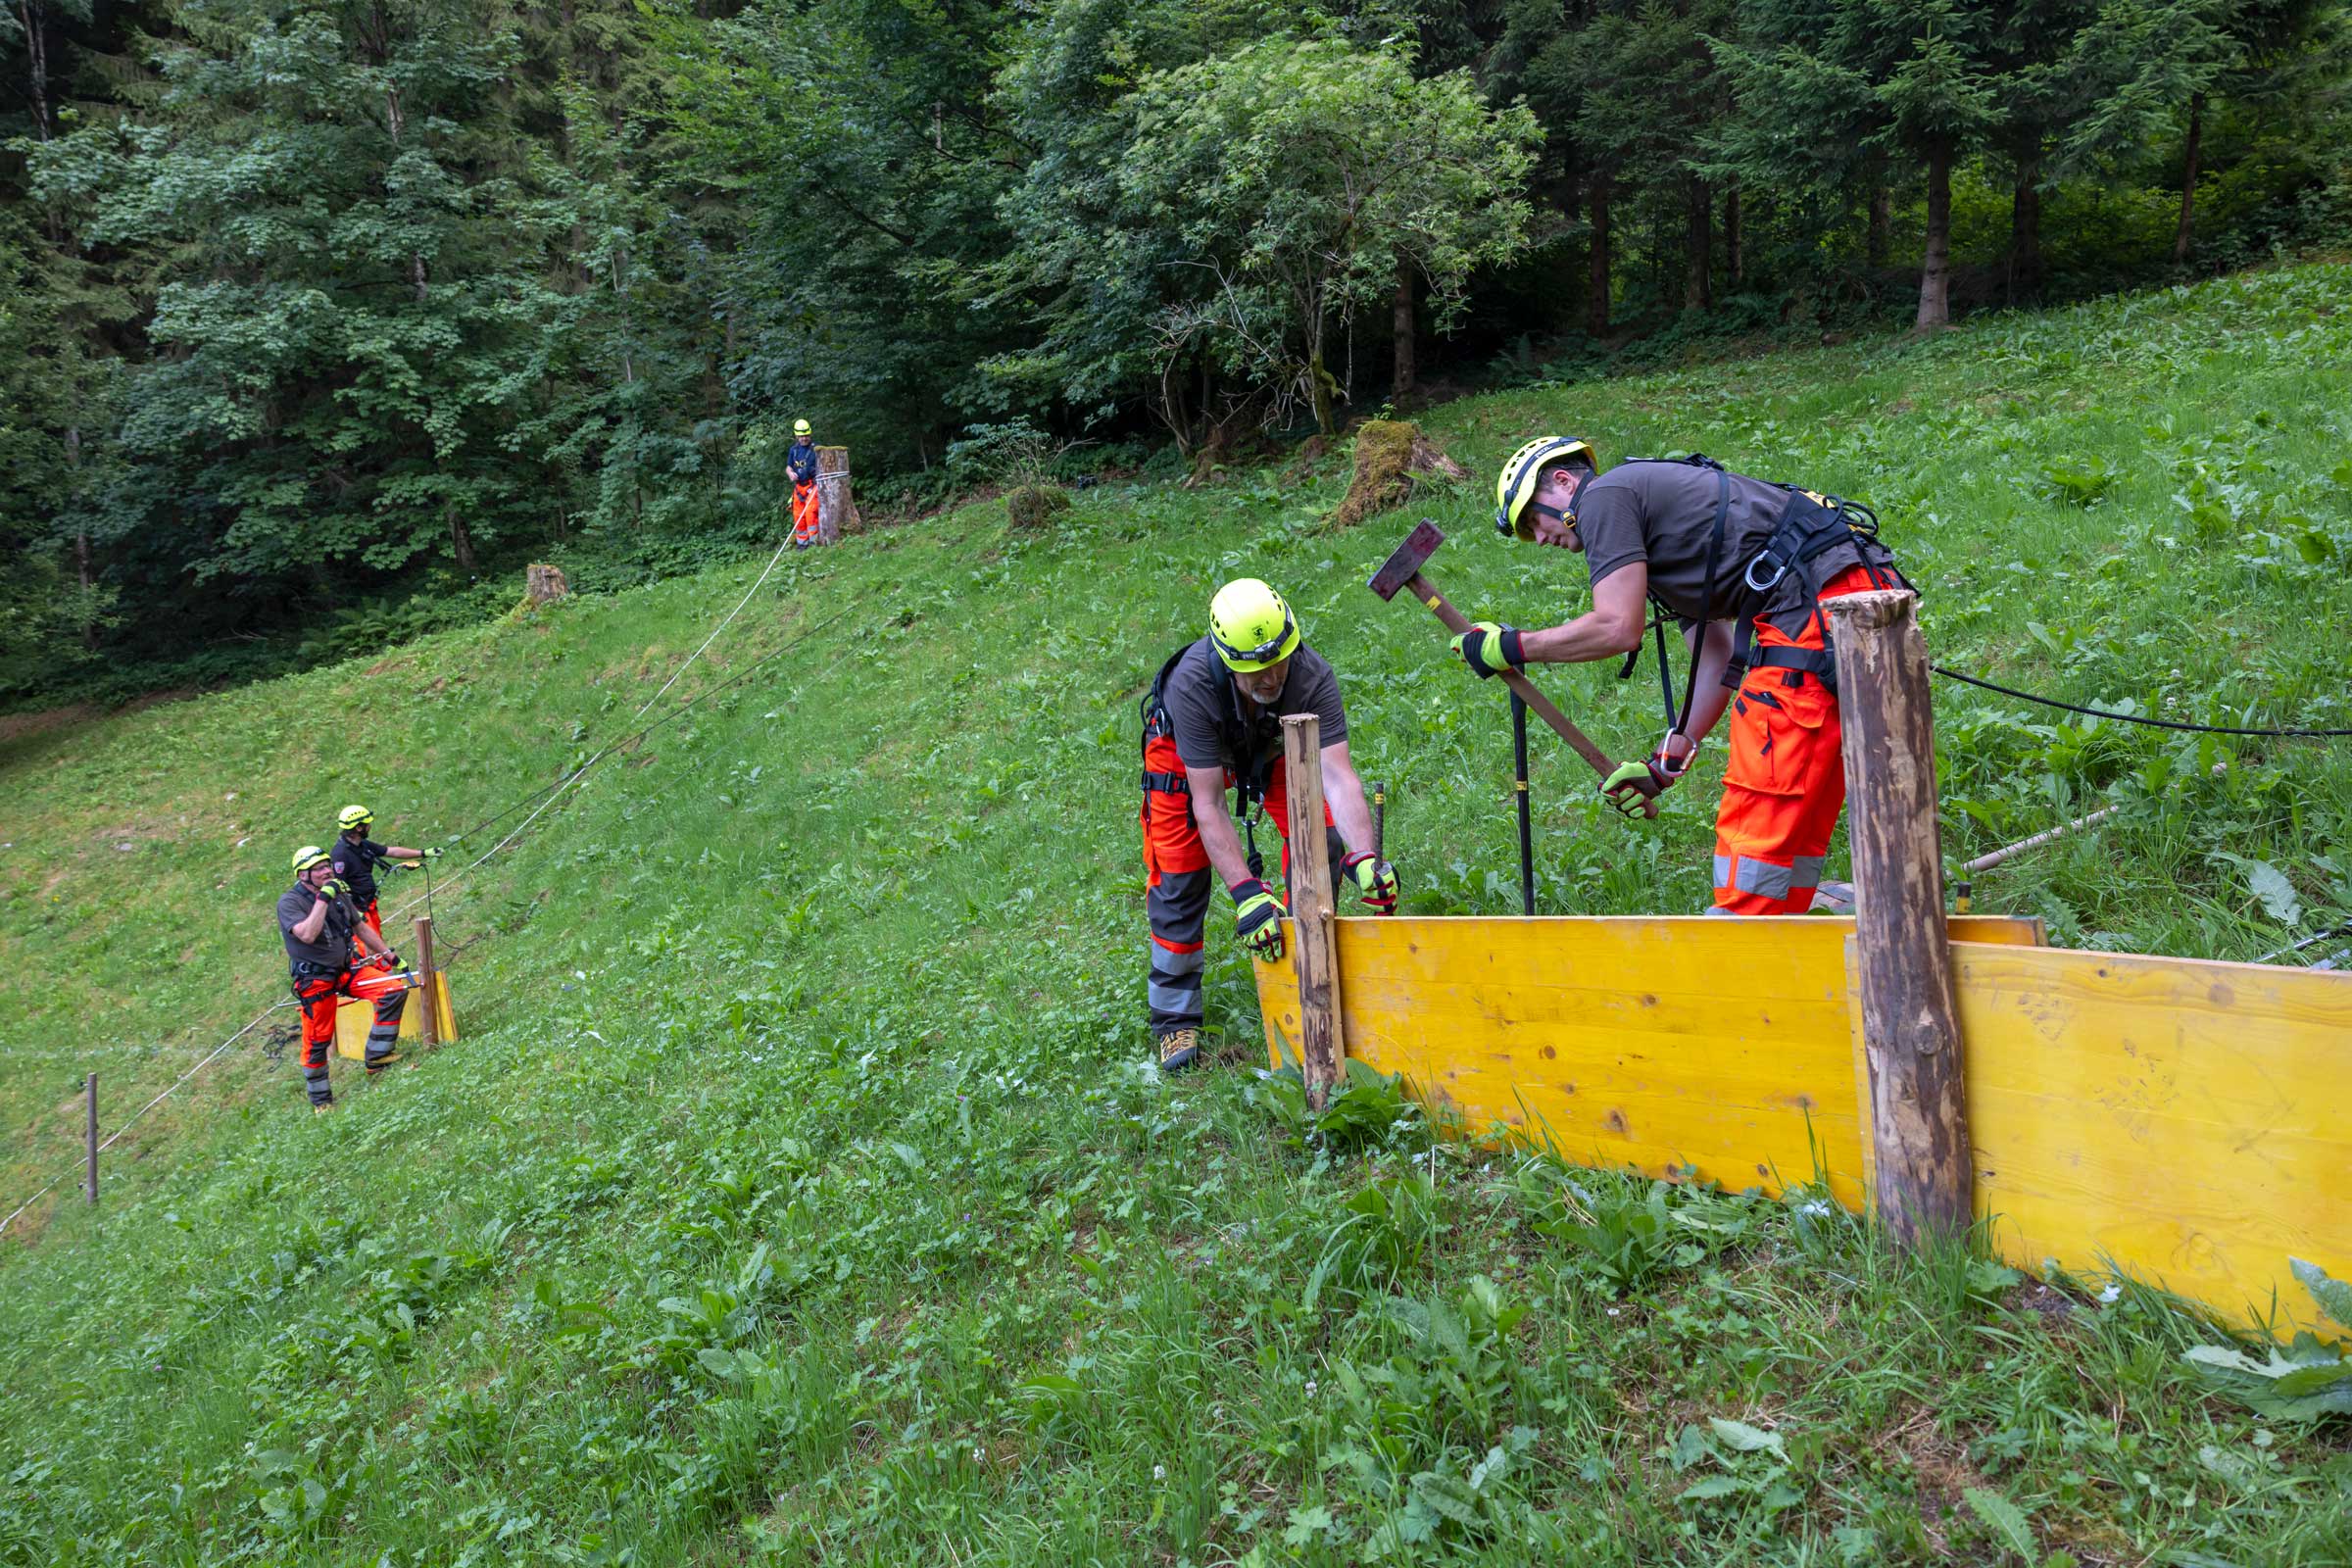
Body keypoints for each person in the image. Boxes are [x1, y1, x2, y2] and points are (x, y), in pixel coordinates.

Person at [1453, 437, 1906, 915]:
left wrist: (1512, 646)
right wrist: (1663, 767)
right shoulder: (1655, 530)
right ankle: (1782, 929)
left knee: (1766, 785)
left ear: (1564, 482)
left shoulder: (1604, 497)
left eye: (1532, 521)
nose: (1540, 539)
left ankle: (1736, 946)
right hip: (1848, 593)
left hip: (1820, 604)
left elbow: (1617, 627)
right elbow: (1715, 659)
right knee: (1800, 798)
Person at [1140, 578, 1398, 1072]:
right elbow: (1209, 803)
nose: (1273, 677)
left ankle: (1309, 960)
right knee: (1180, 875)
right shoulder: (1191, 685)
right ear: (1226, 659)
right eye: (1256, 671)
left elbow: (1338, 778)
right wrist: (1245, 893)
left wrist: (1365, 855)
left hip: (1271, 743)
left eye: (1279, 662)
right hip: (1184, 758)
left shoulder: (1310, 675)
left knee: (1322, 838)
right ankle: (1173, 1022)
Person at [278, 846, 410, 1111]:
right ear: (303, 874)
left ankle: (377, 1057)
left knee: (392, 991)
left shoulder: (337, 894)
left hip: (347, 970)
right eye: (319, 868)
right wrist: (323, 900)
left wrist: (390, 956)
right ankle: (321, 1102)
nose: (327, 870)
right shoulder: (290, 902)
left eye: (327, 865)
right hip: (315, 980)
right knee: (318, 1040)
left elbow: (360, 927)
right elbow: (307, 934)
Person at [330, 804, 442, 939]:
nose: (369, 826)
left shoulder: (362, 845)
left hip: (368, 905)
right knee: (366, 948)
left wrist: (423, 852)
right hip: (358, 911)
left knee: (376, 941)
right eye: (367, 824)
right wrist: (352, 912)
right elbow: (336, 887)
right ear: (358, 828)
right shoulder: (340, 855)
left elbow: (391, 851)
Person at [787, 418, 820, 549]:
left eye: (806, 435)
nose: (804, 438)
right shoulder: (793, 450)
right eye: (801, 436)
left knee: (811, 514)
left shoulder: (816, 449)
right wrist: (790, 474)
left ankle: (815, 544)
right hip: (799, 488)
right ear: (796, 436)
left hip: (813, 486)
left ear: (810, 434)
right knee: (798, 516)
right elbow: (789, 467)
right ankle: (802, 545)